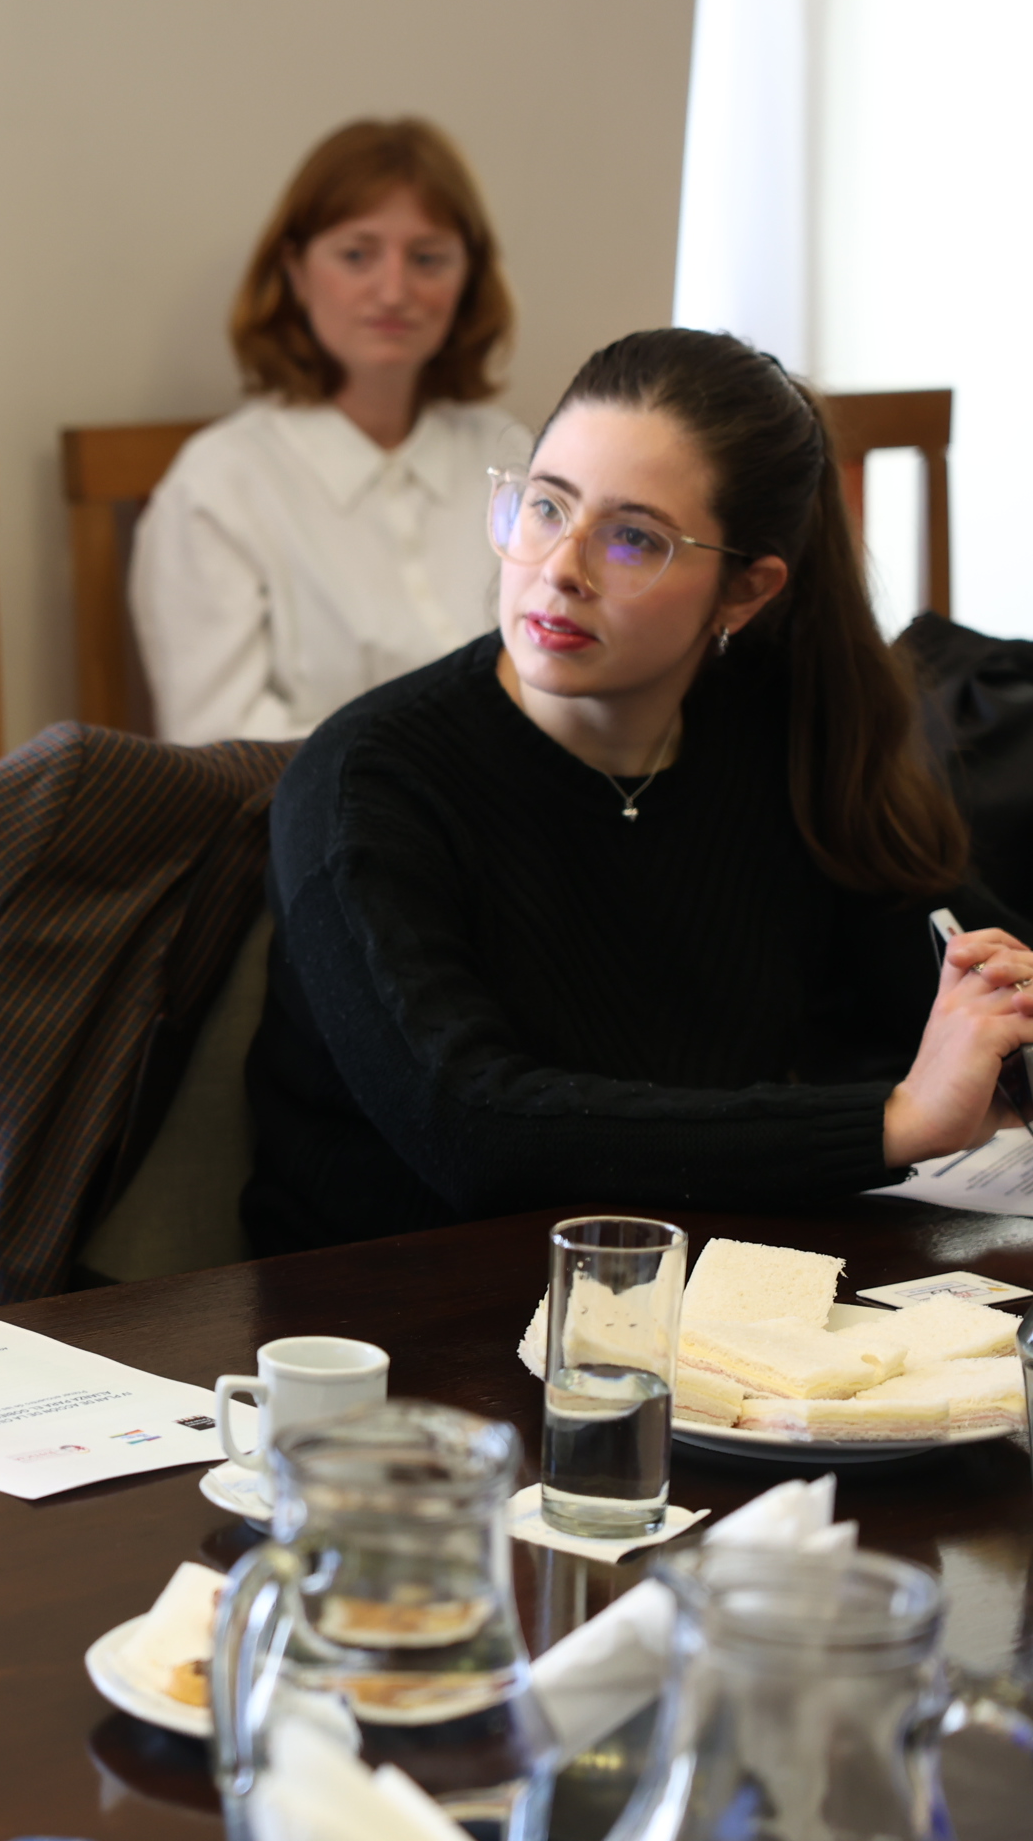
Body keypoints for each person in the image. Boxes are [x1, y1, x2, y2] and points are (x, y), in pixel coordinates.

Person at [244, 329, 1029, 1254]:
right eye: (545, 506)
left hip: (702, 1295)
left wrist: (1000, 1018)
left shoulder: (777, 724)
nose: (560, 569)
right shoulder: (366, 782)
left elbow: (954, 970)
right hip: (391, 1324)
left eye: (631, 538)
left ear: (745, 592)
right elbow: (472, 1130)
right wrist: (893, 1121)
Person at [133, 117, 531, 745]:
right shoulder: (219, 484)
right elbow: (218, 746)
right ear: (295, 271)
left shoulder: (510, 454)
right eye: (356, 255)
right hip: (323, 834)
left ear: (467, 278)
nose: (394, 290)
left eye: (428, 258)